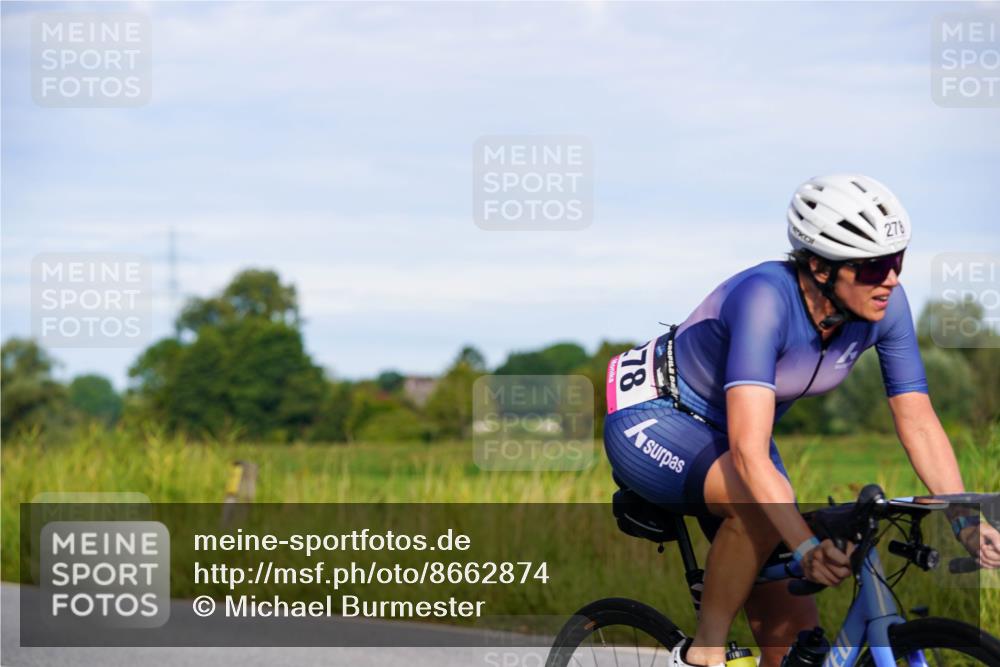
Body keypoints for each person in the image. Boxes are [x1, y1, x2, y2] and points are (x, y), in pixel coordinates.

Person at [602, 174, 1000, 667]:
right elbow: (749, 455)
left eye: (897, 261)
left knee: (796, 647)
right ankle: (704, 652)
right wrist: (807, 545)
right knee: (762, 508)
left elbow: (917, 419)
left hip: (733, 433)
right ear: (819, 266)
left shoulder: (887, 307)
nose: (892, 279)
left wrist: (961, 515)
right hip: (655, 418)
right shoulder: (764, 299)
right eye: (874, 266)